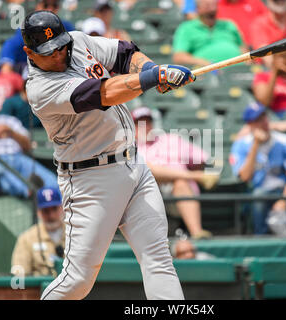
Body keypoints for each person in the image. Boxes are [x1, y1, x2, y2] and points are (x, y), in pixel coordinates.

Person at [23, 10, 196, 300]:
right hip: (91, 180)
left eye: (61, 47)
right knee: (77, 280)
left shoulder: (77, 42)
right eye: (49, 52)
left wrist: (150, 68)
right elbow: (104, 93)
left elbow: (125, 53)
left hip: (133, 166)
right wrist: (154, 77)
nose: (58, 56)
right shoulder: (40, 89)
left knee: (158, 259)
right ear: (29, 52)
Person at [132, 106, 218, 240]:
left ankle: (197, 233)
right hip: (147, 193)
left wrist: (198, 171)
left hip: (177, 194)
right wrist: (196, 176)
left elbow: (202, 159)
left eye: (148, 122)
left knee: (181, 183)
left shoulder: (171, 139)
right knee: (149, 170)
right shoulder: (131, 147)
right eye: (139, 123)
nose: (145, 126)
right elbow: (149, 171)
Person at [229, 102, 286, 234]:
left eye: (264, 117)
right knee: (259, 195)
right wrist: (256, 144)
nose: (263, 122)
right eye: (258, 120)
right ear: (250, 125)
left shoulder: (284, 141)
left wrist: (283, 199)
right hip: (255, 191)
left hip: (283, 190)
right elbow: (245, 177)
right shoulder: (241, 145)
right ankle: (259, 236)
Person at [0, 0, 75, 78]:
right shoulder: (28, 28)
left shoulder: (67, 27)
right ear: (37, 6)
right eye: (45, 5)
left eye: (54, 5)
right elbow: (6, 69)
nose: (50, 9)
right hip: (31, 77)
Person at [172, 0, 244, 67]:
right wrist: (205, 63)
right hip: (207, 74)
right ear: (198, 8)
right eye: (207, 6)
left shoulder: (228, 25)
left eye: (214, 5)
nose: (212, 9)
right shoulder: (187, 28)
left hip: (239, 71)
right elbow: (179, 57)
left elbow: (243, 48)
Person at [11, 187, 65, 277]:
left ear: (62, 208)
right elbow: (18, 274)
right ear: (38, 212)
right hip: (40, 290)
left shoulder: (75, 233)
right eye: (46, 211)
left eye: (54, 209)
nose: (51, 215)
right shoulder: (26, 238)